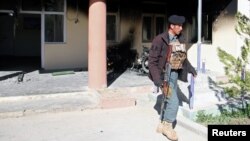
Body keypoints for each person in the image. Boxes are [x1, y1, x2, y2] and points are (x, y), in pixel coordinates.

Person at [148, 14, 197, 141]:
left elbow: (183, 58)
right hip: (164, 77)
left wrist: (191, 69)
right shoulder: (159, 40)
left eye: (182, 26)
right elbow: (152, 62)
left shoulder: (179, 39)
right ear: (171, 26)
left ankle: (162, 124)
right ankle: (168, 127)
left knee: (168, 99)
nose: (181, 28)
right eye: (179, 26)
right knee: (174, 101)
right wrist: (157, 80)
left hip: (174, 75)